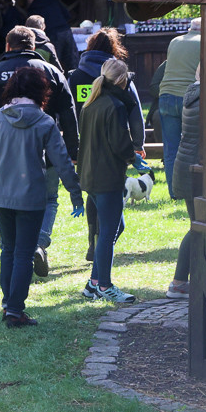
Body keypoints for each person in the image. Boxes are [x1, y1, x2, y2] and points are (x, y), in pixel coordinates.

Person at [0, 67, 83, 326]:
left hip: (0, 196)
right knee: (23, 253)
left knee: (8, 250)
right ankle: (14, 311)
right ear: (41, 92)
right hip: (31, 197)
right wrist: (76, 194)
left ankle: (9, 305)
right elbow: (63, 162)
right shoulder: (45, 122)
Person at [0, 27, 78, 277]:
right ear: (34, 46)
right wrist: (73, 148)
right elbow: (69, 111)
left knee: (7, 204)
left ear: (8, 46)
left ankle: (11, 253)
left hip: (4, 151)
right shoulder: (52, 72)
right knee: (49, 198)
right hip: (45, 149)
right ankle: (38, 243)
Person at [68, 28, 148, 261]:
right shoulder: (122, 77)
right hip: (114, 146)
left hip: (84, 145)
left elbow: (67, 111)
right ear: (114, 50)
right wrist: (138, 144)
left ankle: (94, 239)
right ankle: (103, 248)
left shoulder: (75, 76)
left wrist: (70, 146)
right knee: (111, 200)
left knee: (93, 194)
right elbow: (136, 113)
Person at [77, 59, 139, 304]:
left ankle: (93, 283)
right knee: (108, 232)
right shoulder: (115, 105)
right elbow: (120, 143)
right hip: (107, 178)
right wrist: (134, 157)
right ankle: (105, 285)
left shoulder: (91, 103)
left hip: (90, 176)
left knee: (113, 229)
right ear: (123, 81)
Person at [167, 65, 201, 298]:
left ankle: (184, 281)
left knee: (197, 226)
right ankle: (179, 282)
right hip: (196, 170)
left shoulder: (193, 94)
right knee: (198, 228)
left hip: (187, 167)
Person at [160, 18, 202, 198]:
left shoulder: (175, 41)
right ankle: (193, 190)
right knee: (193, 148)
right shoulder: (205, 42)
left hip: (166, 96)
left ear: (190, 28)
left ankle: (174, 192)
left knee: (171, 149)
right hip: (190, 98)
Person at [27, 0, 78, 69]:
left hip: (53, 34)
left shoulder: (34, 7)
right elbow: (68, 15)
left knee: (55, 63)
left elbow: (34, 26)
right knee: (72, 61)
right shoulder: (53, 1)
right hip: (66, 30)